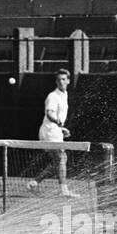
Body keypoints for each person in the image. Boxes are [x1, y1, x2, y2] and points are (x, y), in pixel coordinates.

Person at [28, 69, 79, 198]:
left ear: (68, 81)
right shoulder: (53, 96)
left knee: (59, 161)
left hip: (54, 130)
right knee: (62, 158)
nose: (61, 82)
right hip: (49, 132)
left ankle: (34, 183)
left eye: (63, 79)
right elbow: (50, 114)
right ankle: (64, 190)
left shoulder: (64, 95)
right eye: (58, 80)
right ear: (56, 82)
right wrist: (58, 123)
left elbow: (56, 118)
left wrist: (61, 129)